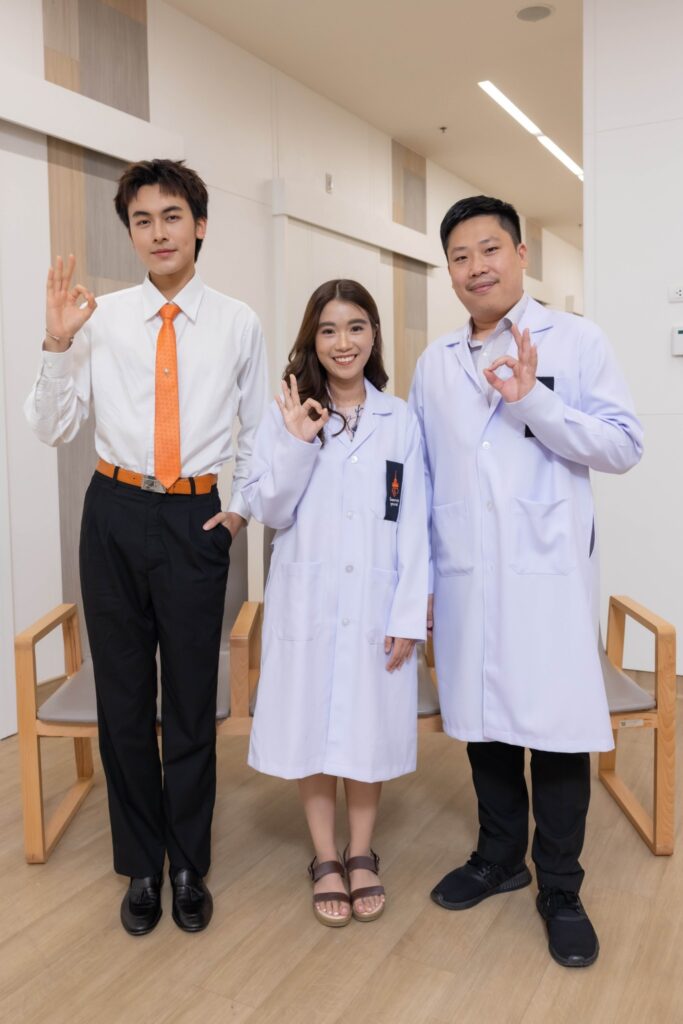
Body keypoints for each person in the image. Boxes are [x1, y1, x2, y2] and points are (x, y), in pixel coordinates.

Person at [24, 159, 268, 935]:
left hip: (197, 518)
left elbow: (259, 434)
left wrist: (237, 513)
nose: (157, 232)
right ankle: (140, 865)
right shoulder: (97, 318)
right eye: (142, 220)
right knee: (123, 698)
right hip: (114, 512)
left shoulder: (238, 322)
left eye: (171, 216)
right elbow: (52, 427)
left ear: (199, 225)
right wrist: (56, 343)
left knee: (191, 699)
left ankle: (188, 862)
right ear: (129, 231)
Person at [409, 195, 643, 967]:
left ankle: (561, 888)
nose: (475, 267)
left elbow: (622, 445)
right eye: (459, 256)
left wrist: (534, 401)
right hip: (464, 573)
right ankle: (499, 857)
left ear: (518, 255)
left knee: (555, 730)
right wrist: (419, 583)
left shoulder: (575, 340)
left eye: (489, 250)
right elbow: (421, 476)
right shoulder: (434, 363)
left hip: (546, 576)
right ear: (448, 270)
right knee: (483, 725)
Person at [243, 279, 428, 927]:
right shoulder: (287, 412)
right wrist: (296, 441)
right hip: (308, 598)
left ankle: (360, 852)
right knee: (310, 726)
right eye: (328, 330)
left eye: (355, 327)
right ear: (312, 340)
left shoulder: (400, 419)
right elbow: (268, 508)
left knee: (365, 726)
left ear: (373, 334)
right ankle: (324, 856)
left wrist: (408, 612)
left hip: (378, 599)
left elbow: (413, 521)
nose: (342, 342)